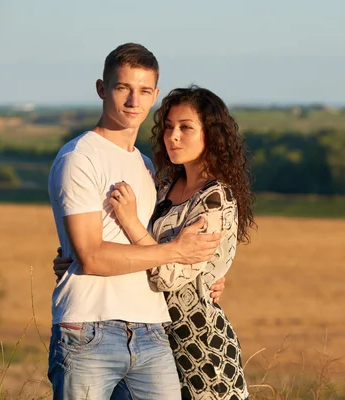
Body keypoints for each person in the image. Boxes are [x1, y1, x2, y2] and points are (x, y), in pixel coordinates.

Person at [47, 43, 225, 400]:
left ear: (155, 95)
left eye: (144, 91)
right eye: (122, 88)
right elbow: (94, 257)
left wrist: (206, 274)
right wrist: (175, 252)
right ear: (101, 88)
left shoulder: (146, 167)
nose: (134, 101)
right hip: (88, 328)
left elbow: (152, 238)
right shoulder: (80, 158)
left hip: (152, 329)